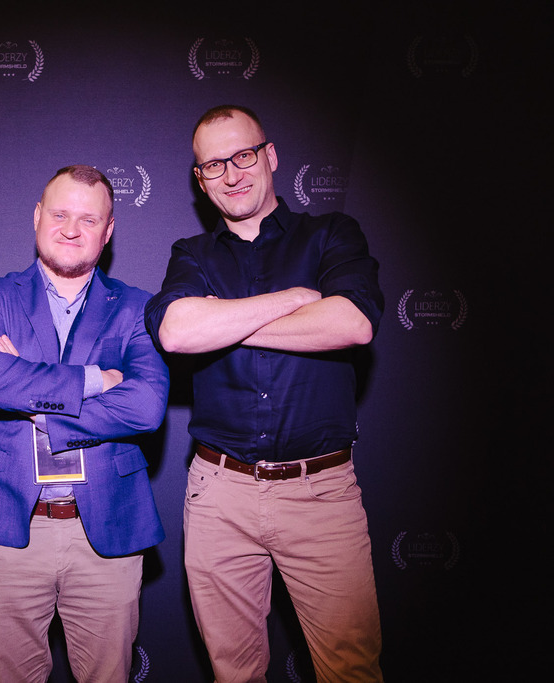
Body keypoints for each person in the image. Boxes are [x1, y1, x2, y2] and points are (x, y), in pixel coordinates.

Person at [144, 105, 385, 682]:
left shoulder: (332, 233)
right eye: (214, 165)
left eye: (243, 156)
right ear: (200, 179)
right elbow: (177, 333)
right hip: (219, 494)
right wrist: (296, 299)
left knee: (351, 670)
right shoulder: (191, 254)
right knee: (235, 674)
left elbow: (352, 323)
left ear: (270, 156)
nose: (231, 174)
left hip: (320, 493)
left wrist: (223, 321)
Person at [0, 165, 169, 682]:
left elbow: (146, 407)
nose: (71, 229)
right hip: (8, 524)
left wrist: (34, 401)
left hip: (107, 530)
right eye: (60, 214)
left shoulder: (138, 307)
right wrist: (98, 379)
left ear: (108, 231)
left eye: (88, 219)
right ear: (37, 216)